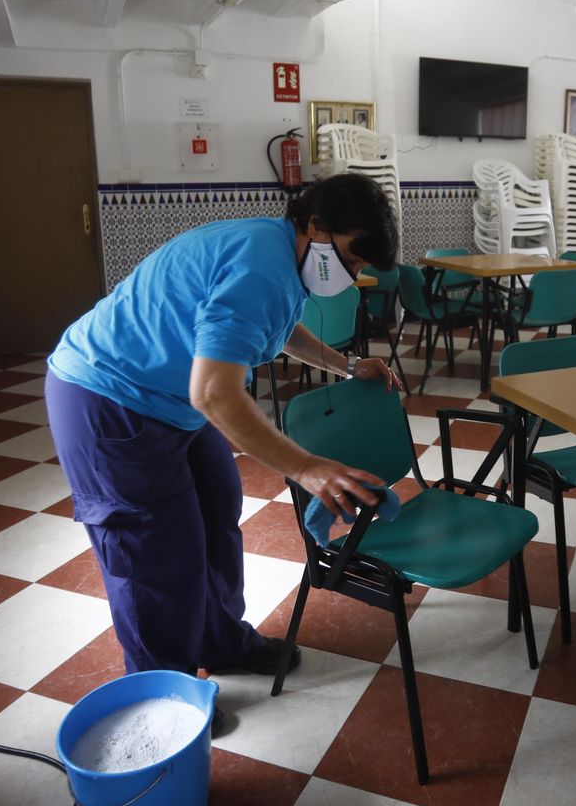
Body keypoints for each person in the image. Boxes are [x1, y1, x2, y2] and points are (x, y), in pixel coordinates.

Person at [45, 173, 400, 705]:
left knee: (214, 514)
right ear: (317, 224)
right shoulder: (261, 262)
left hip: (172, 399)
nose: (350, 274)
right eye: (350, 257)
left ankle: (220, 639)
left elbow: (273, 327)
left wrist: (346, 364)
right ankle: (163, 695)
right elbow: (214, 393)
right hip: (110, 396)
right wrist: (306, 467)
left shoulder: (282, 254)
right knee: (154, 555)